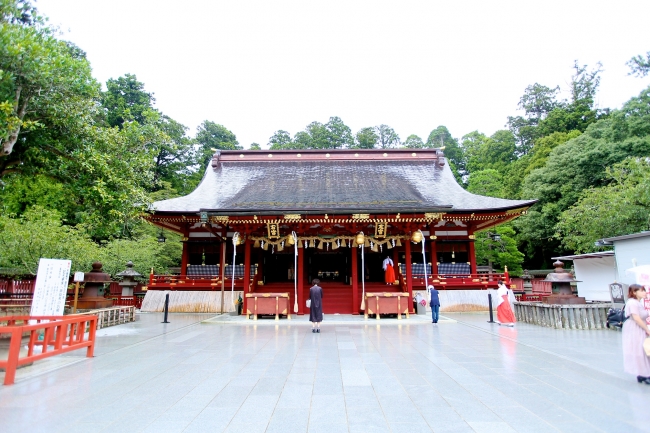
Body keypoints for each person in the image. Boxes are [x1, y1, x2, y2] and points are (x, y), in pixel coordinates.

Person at [622, 284, 650, 384]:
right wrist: (647, 329)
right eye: (642, 291)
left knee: (643, 350)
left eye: (644, 291)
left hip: (640, 327)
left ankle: (643, 373)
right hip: (635, 328)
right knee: (641, 350)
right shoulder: (633, 303)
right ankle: (644, 374)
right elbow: (637, 318)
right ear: (634, 292)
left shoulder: (638, 303)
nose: (644, 293)